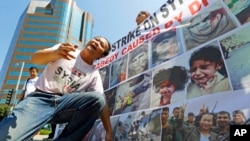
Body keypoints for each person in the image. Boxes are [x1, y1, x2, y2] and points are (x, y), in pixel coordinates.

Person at [0, 36, 113, 141]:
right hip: (39, 100)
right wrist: (55, 53)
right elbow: (35, 58)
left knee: (97, 99)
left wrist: (109, 131)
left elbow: (102, 103)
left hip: (63, 105)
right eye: (96, 39)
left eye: (101, 44)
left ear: (102, 55)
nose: (96, 42)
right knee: (6, 136)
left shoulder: (94, 74)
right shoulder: (66, 50)